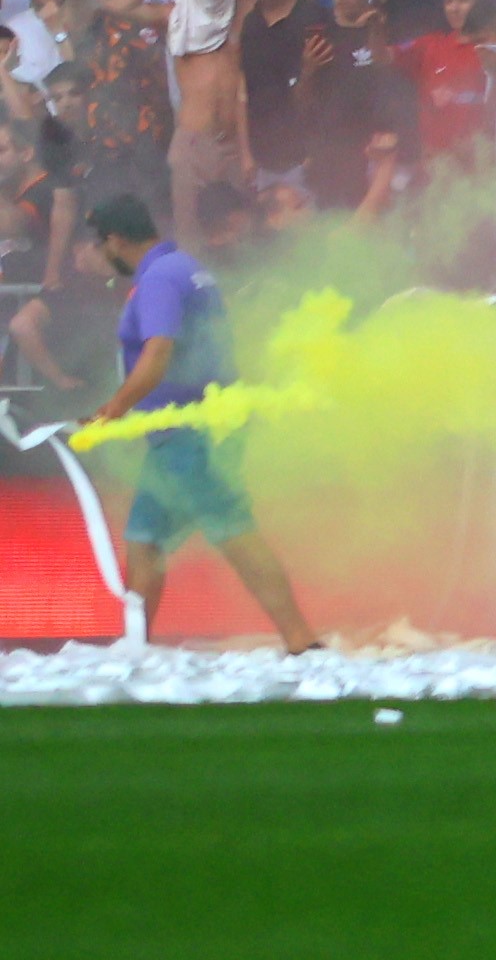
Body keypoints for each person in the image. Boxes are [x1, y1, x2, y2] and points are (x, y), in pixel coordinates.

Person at [69, 194, 316, 651]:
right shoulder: (186, 268)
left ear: (116, 240)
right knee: (144, 538)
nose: (102, 255)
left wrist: (112, 410)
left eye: (102, 245)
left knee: (233, 530)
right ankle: (135, 646)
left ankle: (302, 640)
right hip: (185, 434)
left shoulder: (160, 279)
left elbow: (157, 353)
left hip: (191, 437)